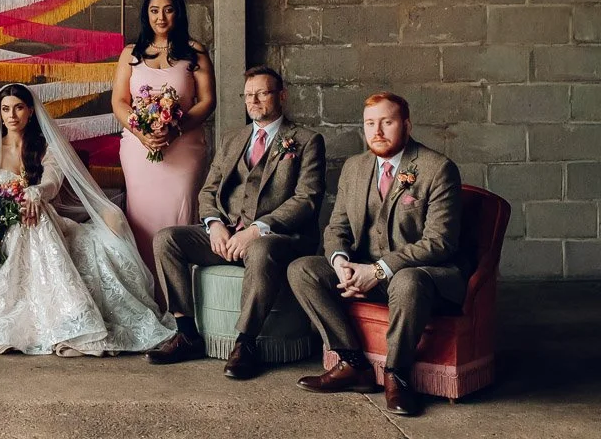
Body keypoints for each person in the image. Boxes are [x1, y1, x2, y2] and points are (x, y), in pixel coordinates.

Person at [0, 84, 174, 356]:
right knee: (27, 213)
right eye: (5, 109)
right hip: (3, 230)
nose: (12, 115)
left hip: (43, 221)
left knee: (34, 210)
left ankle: (73, 319)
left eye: (19, 107)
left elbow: (52, 181)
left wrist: (37, 192)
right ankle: (20, 322)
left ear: (31, 112)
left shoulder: (45, 147)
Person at [288, 92, 467, 417]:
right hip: (363, 267)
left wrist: (379, 270)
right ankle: (352, 362)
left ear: (407, 124)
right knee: (302, 269)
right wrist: (342, 264)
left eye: (387, 121)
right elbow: (336, 228)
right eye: (370, 123)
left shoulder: (437, 168)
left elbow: (440, 242)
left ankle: (396, 376)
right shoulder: (355, 168)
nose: (378, 131)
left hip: (425, 277)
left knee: (407, 282)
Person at [147, 66, 325, 378]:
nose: (253, 100)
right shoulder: (234, 139)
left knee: (259, 250)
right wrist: (214, 223)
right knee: (166, 239)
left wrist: (258, 229)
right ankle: (186, 332)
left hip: (280, 239)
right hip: (228, 233)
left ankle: (246, 343)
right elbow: (208, 191)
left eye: (262, 93)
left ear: (281, 95)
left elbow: (307, 200)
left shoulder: (307, 141)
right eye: (248, 95)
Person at [112, 0, 216, 276]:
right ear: (146, 15)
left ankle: (179, 299)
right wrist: (141, 131)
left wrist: (175, 129)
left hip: (183, 150)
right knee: (140, 219)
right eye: (154, 10)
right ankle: (148, 294)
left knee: (179, 216)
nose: (161, 17)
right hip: (138, 151)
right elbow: (119, 101)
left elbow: (208, 101)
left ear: (178, 13)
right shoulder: (131, 54)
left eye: (168, 10)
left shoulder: (194, 52)